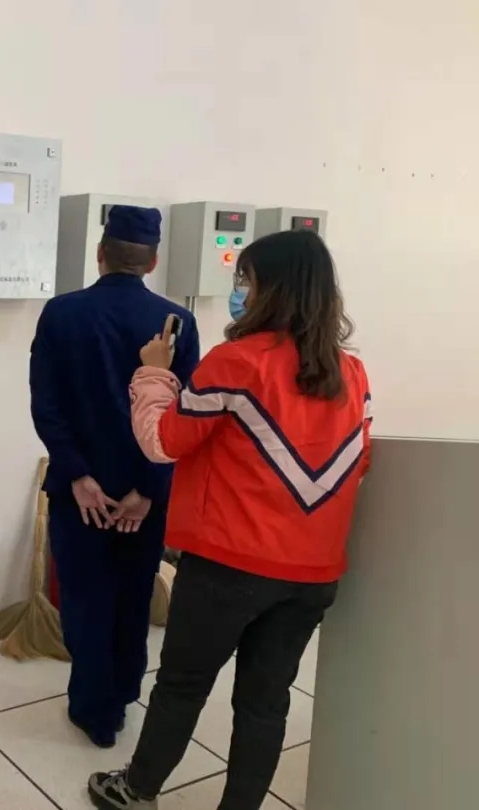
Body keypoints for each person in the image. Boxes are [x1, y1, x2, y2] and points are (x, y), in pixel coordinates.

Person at [87, 230, 373, 810]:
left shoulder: (236, 362)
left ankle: (136, 791)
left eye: (245, 280)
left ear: (272, 288)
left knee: (183, 685)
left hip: (228, 567)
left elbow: (162, 443)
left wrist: (154, 373)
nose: (240, 291)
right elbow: (359, 463)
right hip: (312, 575)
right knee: (267, 702)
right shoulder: (353, 373)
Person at [29, 205, 200, 749]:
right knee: (132, 595)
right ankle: (123, 694)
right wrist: (147, 491)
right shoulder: (176, 322)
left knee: (84, 599)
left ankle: (93, 710)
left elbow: (46, 405)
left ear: (100, 253)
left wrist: (78, 476)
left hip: (80, 495)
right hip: (142, 499)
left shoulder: (61, 314)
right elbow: (181, 418)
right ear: (153, 261)